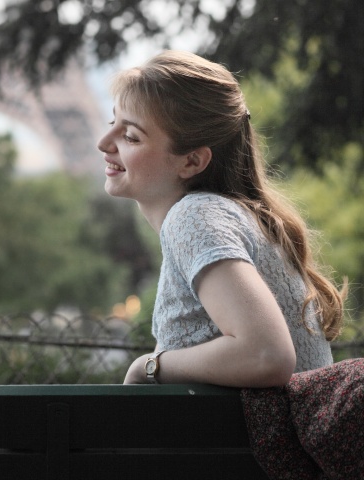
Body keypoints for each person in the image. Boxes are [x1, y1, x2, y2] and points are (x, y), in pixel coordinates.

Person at [96, 51, 346, 387]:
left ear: (191, 161)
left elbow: (266, 356)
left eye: (130, 136)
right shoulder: (232, 217)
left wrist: (148, 367)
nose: (103, 143)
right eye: (112, 123)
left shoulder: (193, 216)